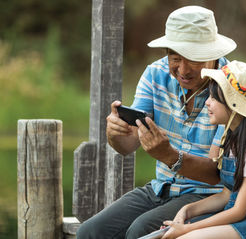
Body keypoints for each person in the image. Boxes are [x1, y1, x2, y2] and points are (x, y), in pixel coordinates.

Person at [76, 5, 236, 239]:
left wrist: (170, 156)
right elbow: (128, 145)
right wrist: (115, 133)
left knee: (141, 231)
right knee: (89, 232)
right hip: (161, 187)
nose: (183, 69)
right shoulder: (155, 73)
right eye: (175, 58)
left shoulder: (232, 85)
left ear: (212, 54)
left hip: (209, 197)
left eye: (192, 59)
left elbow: (217, 174)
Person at [161, 61, 246, 239]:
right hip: (241, 216)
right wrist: (187, 211)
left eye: (214, 98)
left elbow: (239, 211)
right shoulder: (232, 140)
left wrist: (188, 230)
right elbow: (227, 195)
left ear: (233, 104)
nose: (207, 103)